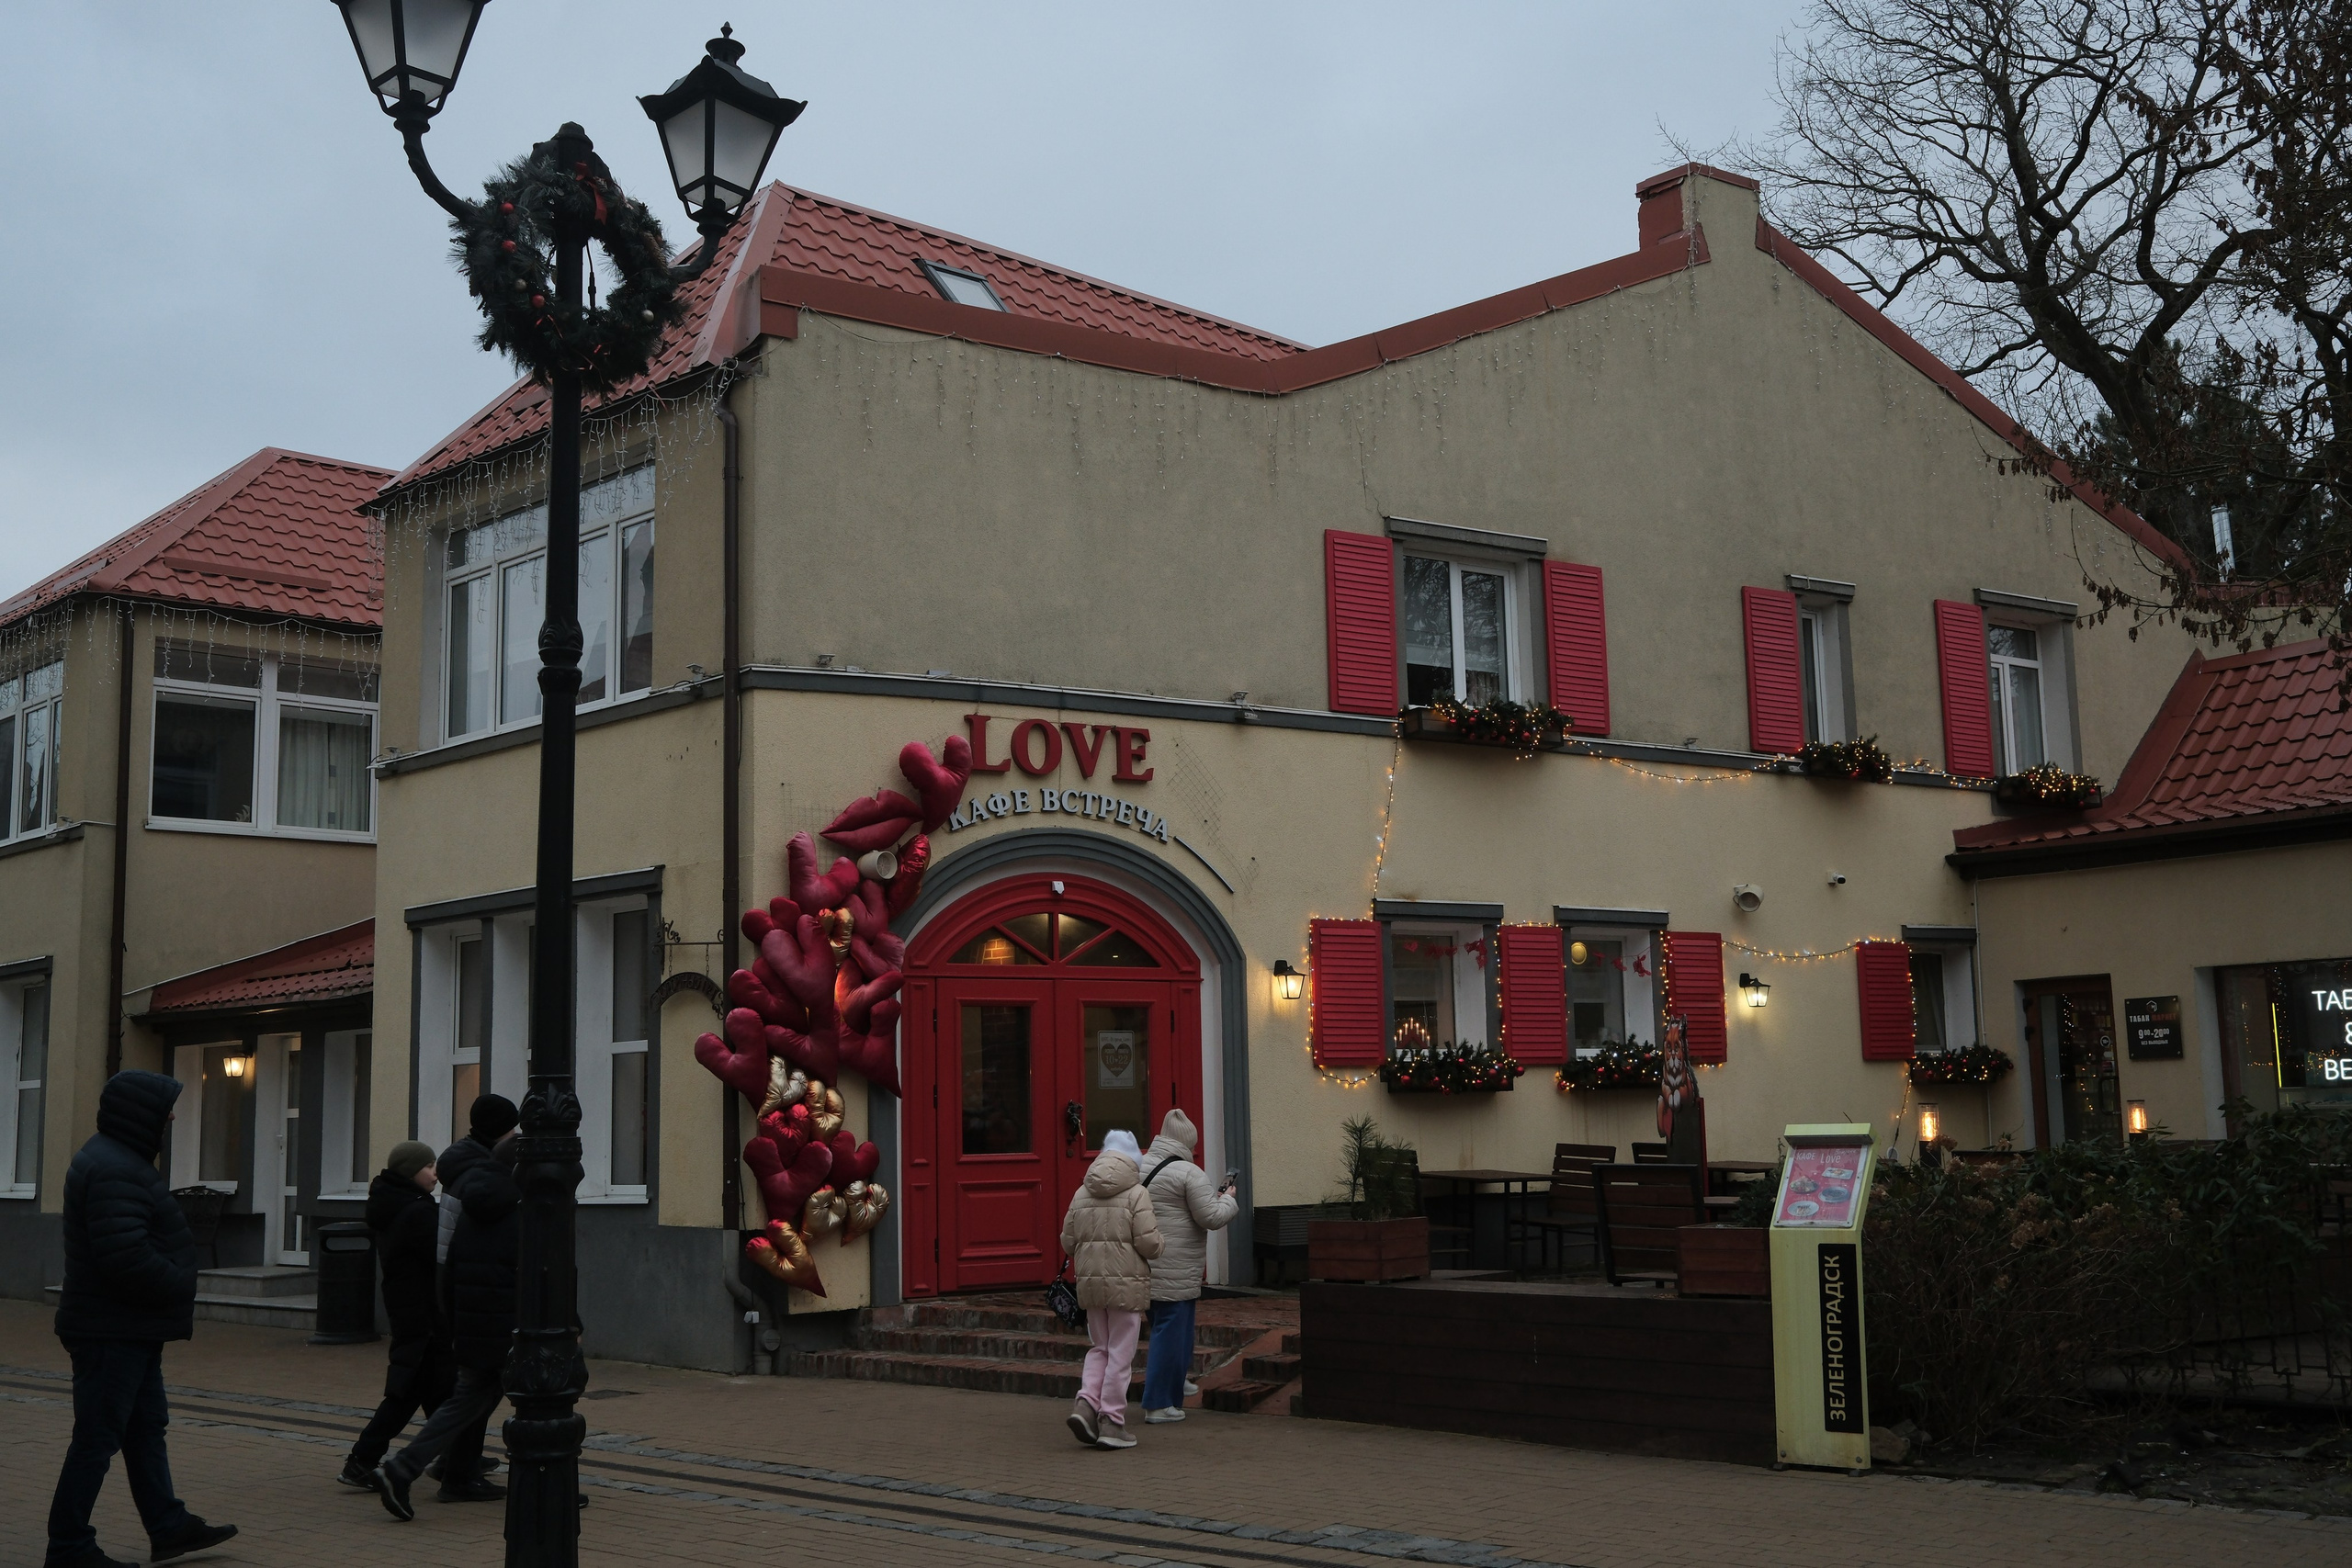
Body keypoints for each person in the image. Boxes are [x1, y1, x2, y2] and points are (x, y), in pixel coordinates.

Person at [47, 1071, 237, 1568]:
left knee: (145, 1426)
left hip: (124, 1326)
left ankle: (168, 1526)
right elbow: (124, 1255)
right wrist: (181, 1282)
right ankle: (69, 1548)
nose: (171, 1115)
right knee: (98, 1438)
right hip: (111, 1329)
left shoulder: (115, 1158)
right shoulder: (116, 1169)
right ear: (140, 1113)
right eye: (165, 1107)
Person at [374, 1126, 520, 1519]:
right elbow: (540, 1273)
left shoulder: (470, 1203)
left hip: (471, 1325)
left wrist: (453, 1325)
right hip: (509, 1327)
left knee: (472, 1398)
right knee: (527, 1399)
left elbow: (449, 1268)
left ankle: (441, 1470)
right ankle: (544, 1483)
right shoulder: (518, 1209)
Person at [337, 1141, 497, 1495]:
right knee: (408, 1393)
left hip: (413, 1311)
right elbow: (440, 1260)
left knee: (437, 1390)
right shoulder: (416, 1212)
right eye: (428, 1166)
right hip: (423, 1314)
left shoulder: (400, 1205)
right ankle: (362, 1461)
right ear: (410, 1171)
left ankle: (457, 1457)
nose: (435, 1173)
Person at [1059, 1128, 1163, 1450]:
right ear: (1133, 1161)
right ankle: (1112, 1421)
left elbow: (1067, 1241)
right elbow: (1148, 1243)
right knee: (1121, 1352)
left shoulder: (1081, 1192)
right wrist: (1160, 1245)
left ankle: (1086, 1404)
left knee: (1100, 1347)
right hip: (1126, 1285)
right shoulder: (1136, 1193)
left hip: (1090, 1285)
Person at [1136, 1110, 1238, 1424]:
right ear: (1186, 1142)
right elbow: (1210, 1217)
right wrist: (1229, 1199)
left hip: (1146, 1263)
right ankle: (1158, 1403)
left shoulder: (1140, 1165)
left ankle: (1175, 1381)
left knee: (1166, 1329)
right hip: (1177, 1268)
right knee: (1171, 1332)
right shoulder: (1189, 1173)